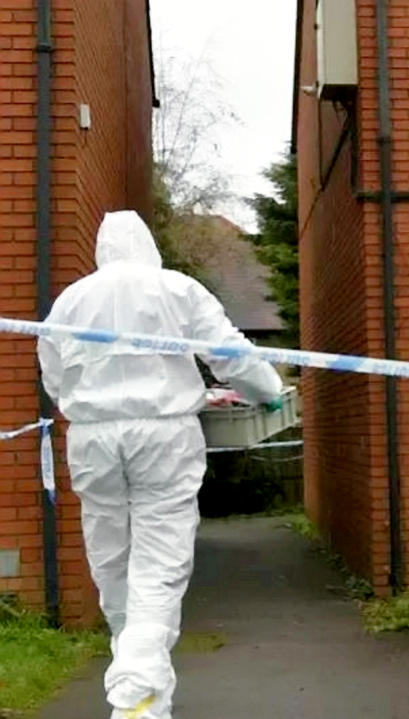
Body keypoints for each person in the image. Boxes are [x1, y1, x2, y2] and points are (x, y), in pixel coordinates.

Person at [37, 210, 283, 719]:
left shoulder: (71, 300)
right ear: (149, 246)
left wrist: (94, 402)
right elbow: (228, 352)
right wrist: (269, 390)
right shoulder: (176, 289)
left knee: (113, 562)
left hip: (92, 437)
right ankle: (137, 699)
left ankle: (145, 697)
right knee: (159, 564)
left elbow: (55, 379)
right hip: (163, 436)